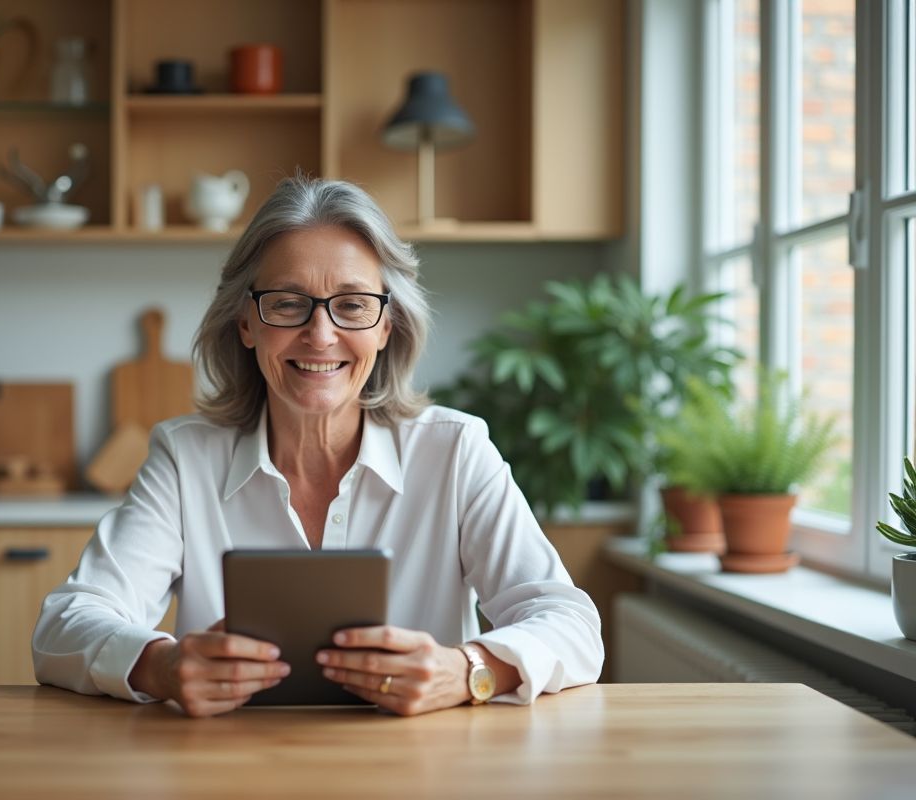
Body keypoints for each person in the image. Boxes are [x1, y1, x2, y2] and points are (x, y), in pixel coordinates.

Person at [33, 175, 603, 717]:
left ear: (386, 326)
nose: (321, 334)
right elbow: (65, 623)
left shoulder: (455, 450)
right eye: (287, 302)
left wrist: (468, 669)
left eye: (352, 304)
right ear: (246, 323)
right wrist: (161, 666)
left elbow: (570, 623)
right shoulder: (186, 459)